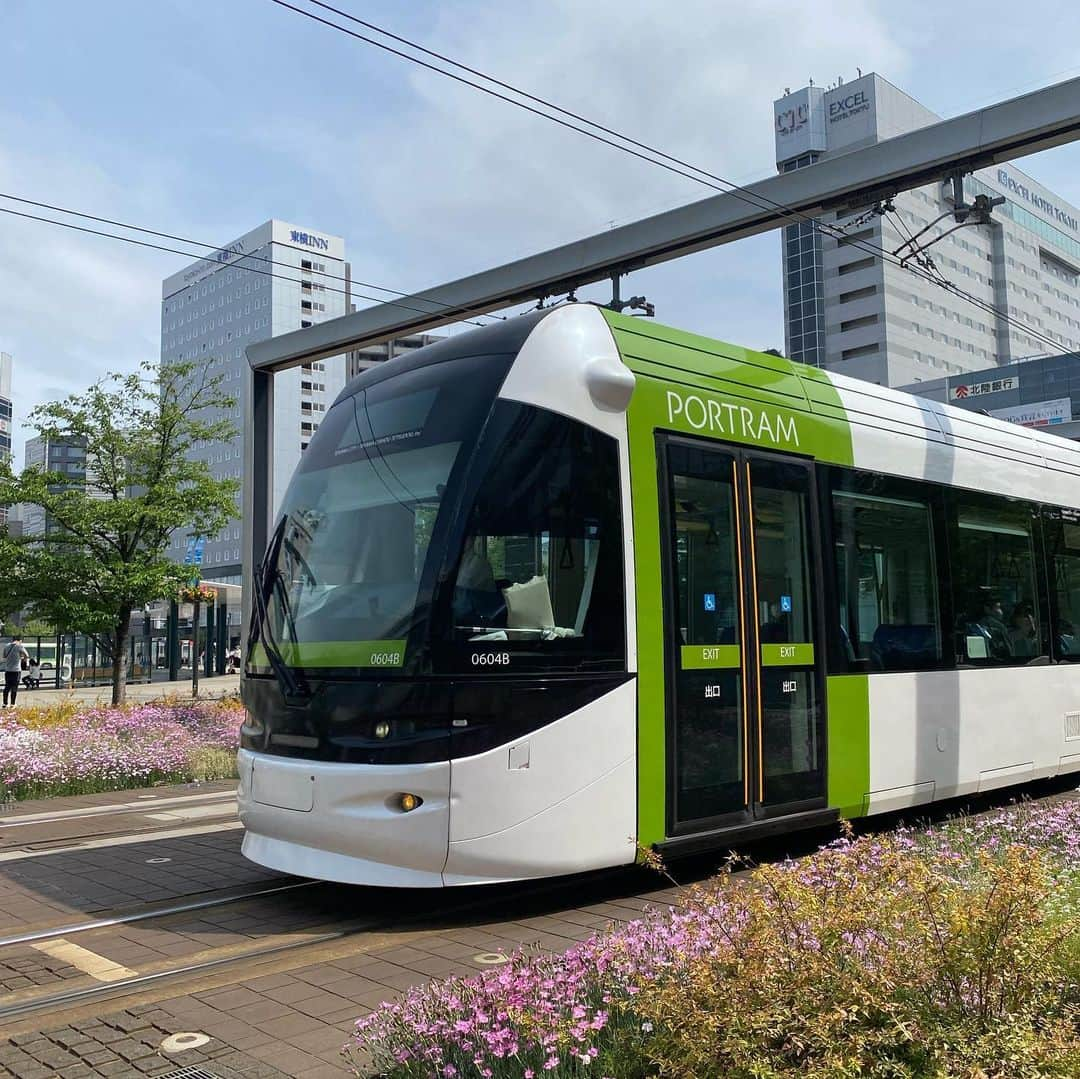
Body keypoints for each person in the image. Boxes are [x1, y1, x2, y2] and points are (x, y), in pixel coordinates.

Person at [3, 635, 29, 708]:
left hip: (8, 670)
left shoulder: (6, 646)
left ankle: (5, 703)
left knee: (7, 687)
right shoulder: (19, 646)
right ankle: (13, 704)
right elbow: (27, 655)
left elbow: (4, 656)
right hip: (16, 670)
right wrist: (22, 659)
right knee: (14, 687)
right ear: (19, 640)